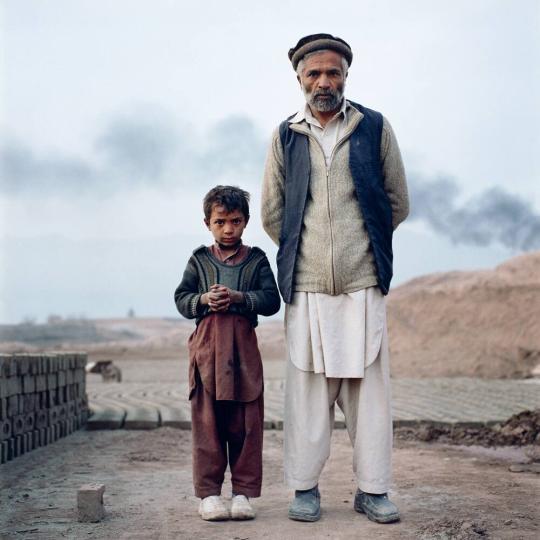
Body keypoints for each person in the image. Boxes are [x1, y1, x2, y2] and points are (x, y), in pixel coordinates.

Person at [261, 33, 409, 524]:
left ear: (346, 75)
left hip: (363, 284)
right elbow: (272, 213)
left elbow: (397, 202)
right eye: (314, 74)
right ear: (299, 78)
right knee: (305, 397)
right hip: (305, 289)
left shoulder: (374, 128)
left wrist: (357, 251)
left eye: (333, 73)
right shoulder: (286, 135)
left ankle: (373, 491)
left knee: (369, 397)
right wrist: (311, 259)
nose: (324, 82)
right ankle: (305, 490)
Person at [174, 185, 280, 521]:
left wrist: (237, 297)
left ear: (246, 222)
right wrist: (204, 300)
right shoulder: (199, 260)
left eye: (235, 221)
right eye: (220, 222)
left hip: (243, 352)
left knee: (246, 424)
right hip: (206, 352)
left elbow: (271, 300)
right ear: (207, 223)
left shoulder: (257, 259)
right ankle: (209, 495)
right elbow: (181, 299)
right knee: (208, 424)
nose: (228, 228)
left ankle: (243, 495)